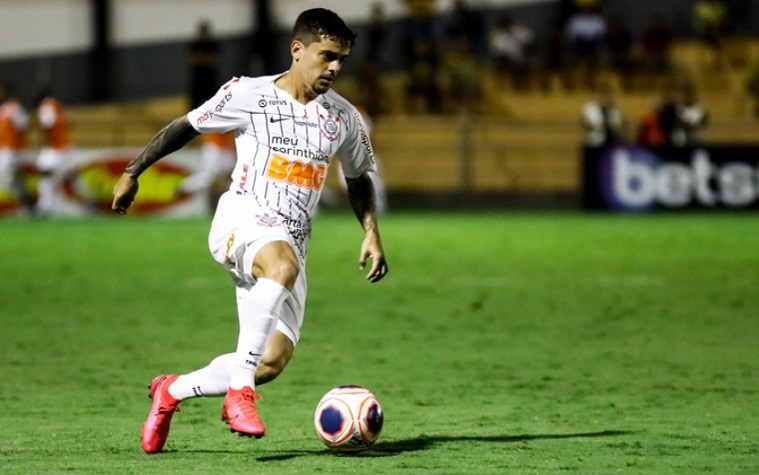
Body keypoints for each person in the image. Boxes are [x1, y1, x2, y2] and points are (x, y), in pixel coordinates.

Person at [112, 8, 389, 454]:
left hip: (291, 245)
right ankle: (240, 393)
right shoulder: (249, 94)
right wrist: (133, 171)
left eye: (342, 59)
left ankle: (170, 391)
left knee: (271, 361)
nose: (335, 67)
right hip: (241, 222)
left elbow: (358, 179)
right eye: (327, 56)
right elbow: (187, 126)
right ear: (297, 50)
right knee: (281, 267)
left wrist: (371, 231)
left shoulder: (345, 119)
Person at [34, 88, 72, 216]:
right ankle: (44, 205)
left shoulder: (47, 105)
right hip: (60, 147)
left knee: (47, 175)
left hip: (57, 148)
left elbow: (47, 124)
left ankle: (45, 206)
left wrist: (41, 139)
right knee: (50, 177)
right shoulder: (56, 104)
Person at [0, 82, 31, 214]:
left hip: (13, 149)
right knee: (15, 180)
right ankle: (26, 205)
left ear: (8, 92)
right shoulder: (3, 109)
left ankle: (23, 204)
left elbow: (23, 125)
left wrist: (18, 146)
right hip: (4, 148)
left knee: (6, 177)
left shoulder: (15, 108)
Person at [188, 20, 221, 108]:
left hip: (210, 79)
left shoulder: (212, 44)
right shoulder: (195, 44)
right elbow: (194, 59)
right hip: (198, 79)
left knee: (213, 104)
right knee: (194, 105)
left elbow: (213, 60)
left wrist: (202, 58)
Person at [581, 82, 624, 147]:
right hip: (595, 142)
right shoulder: (590, 109)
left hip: (611, 142)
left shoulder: (614, 111)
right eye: (601, 96)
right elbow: (586, 125)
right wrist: (598, 126)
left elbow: (618, 126)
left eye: (606, 96)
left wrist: (608, 126)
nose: (603, 99)